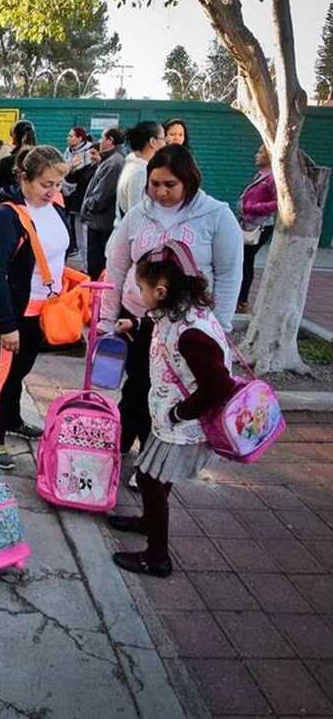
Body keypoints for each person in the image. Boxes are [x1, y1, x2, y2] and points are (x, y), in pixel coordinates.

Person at [100, 144, 242, 465]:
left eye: (170, 184)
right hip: (139, 319)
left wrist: (220, 326)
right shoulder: (138, 215)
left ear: (188, 180)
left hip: (186, 328)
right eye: (155, 184)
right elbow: (117, 267)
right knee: (137, 386)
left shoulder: (217, 215)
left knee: (172, 392)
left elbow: (230, 274)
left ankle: (153, 463)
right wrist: (107, 318)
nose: (161, 192)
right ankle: (119, 447)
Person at [108, 242, 236, 578]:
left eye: (142, 288)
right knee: (156, 477)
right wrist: (134, 326)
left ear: (161, 290)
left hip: (183, 423)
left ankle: (157, 558)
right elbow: (159, 328)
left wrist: (180, 413)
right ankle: (148, 521)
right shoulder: (179, 309)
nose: (139, 294)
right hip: (170, 417)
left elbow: (219, 386)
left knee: (149, 479)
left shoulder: (193, 334)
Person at [0, 146, 71, 470]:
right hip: (16, 312)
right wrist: (7, 324)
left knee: (20, 371)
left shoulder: (56, 207)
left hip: (45, 311)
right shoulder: (7, 216)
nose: (53, 191)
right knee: (4, 374)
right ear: (24, 178)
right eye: (46, 184)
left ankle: (12, 419)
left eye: (58, 184)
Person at [79, 127, 127, 279]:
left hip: (101, 224)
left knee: (96, 267)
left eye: (102, 138)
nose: (99, 141)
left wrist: (88, 205)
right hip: (99, 222)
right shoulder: (111, 160)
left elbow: (102, 195)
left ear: (110, 140)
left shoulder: (115, 163)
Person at [236, 145, 277, 313]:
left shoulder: (272, 177)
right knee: (244, 260)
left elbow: (279, 202)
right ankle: (240, 298)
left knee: (245, 260)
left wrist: (252, 208)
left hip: (260, 226)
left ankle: (242, 300)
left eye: (261, 152)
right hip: (248, 223)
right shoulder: (261, 175)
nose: (256, 155)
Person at [116, 121, 166, 220]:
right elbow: (138, 217)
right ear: (153, 142)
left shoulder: (135, 166)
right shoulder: (140, 172)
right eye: (163, 138)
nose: (165, 143)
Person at [0, 120, 37, 205]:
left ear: (14, 138)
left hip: (12, 208)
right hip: (38, 208)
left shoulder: (5, 162)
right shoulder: (44, 161)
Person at [62, 127, 94, 257]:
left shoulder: (89, 152)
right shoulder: (68, 151)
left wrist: (71, 169)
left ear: (80, 138)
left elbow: (83, 175)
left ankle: (82, 254)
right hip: (67, 190)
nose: (68, 138)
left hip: (81, 194)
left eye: (71, 136)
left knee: (82, 230)